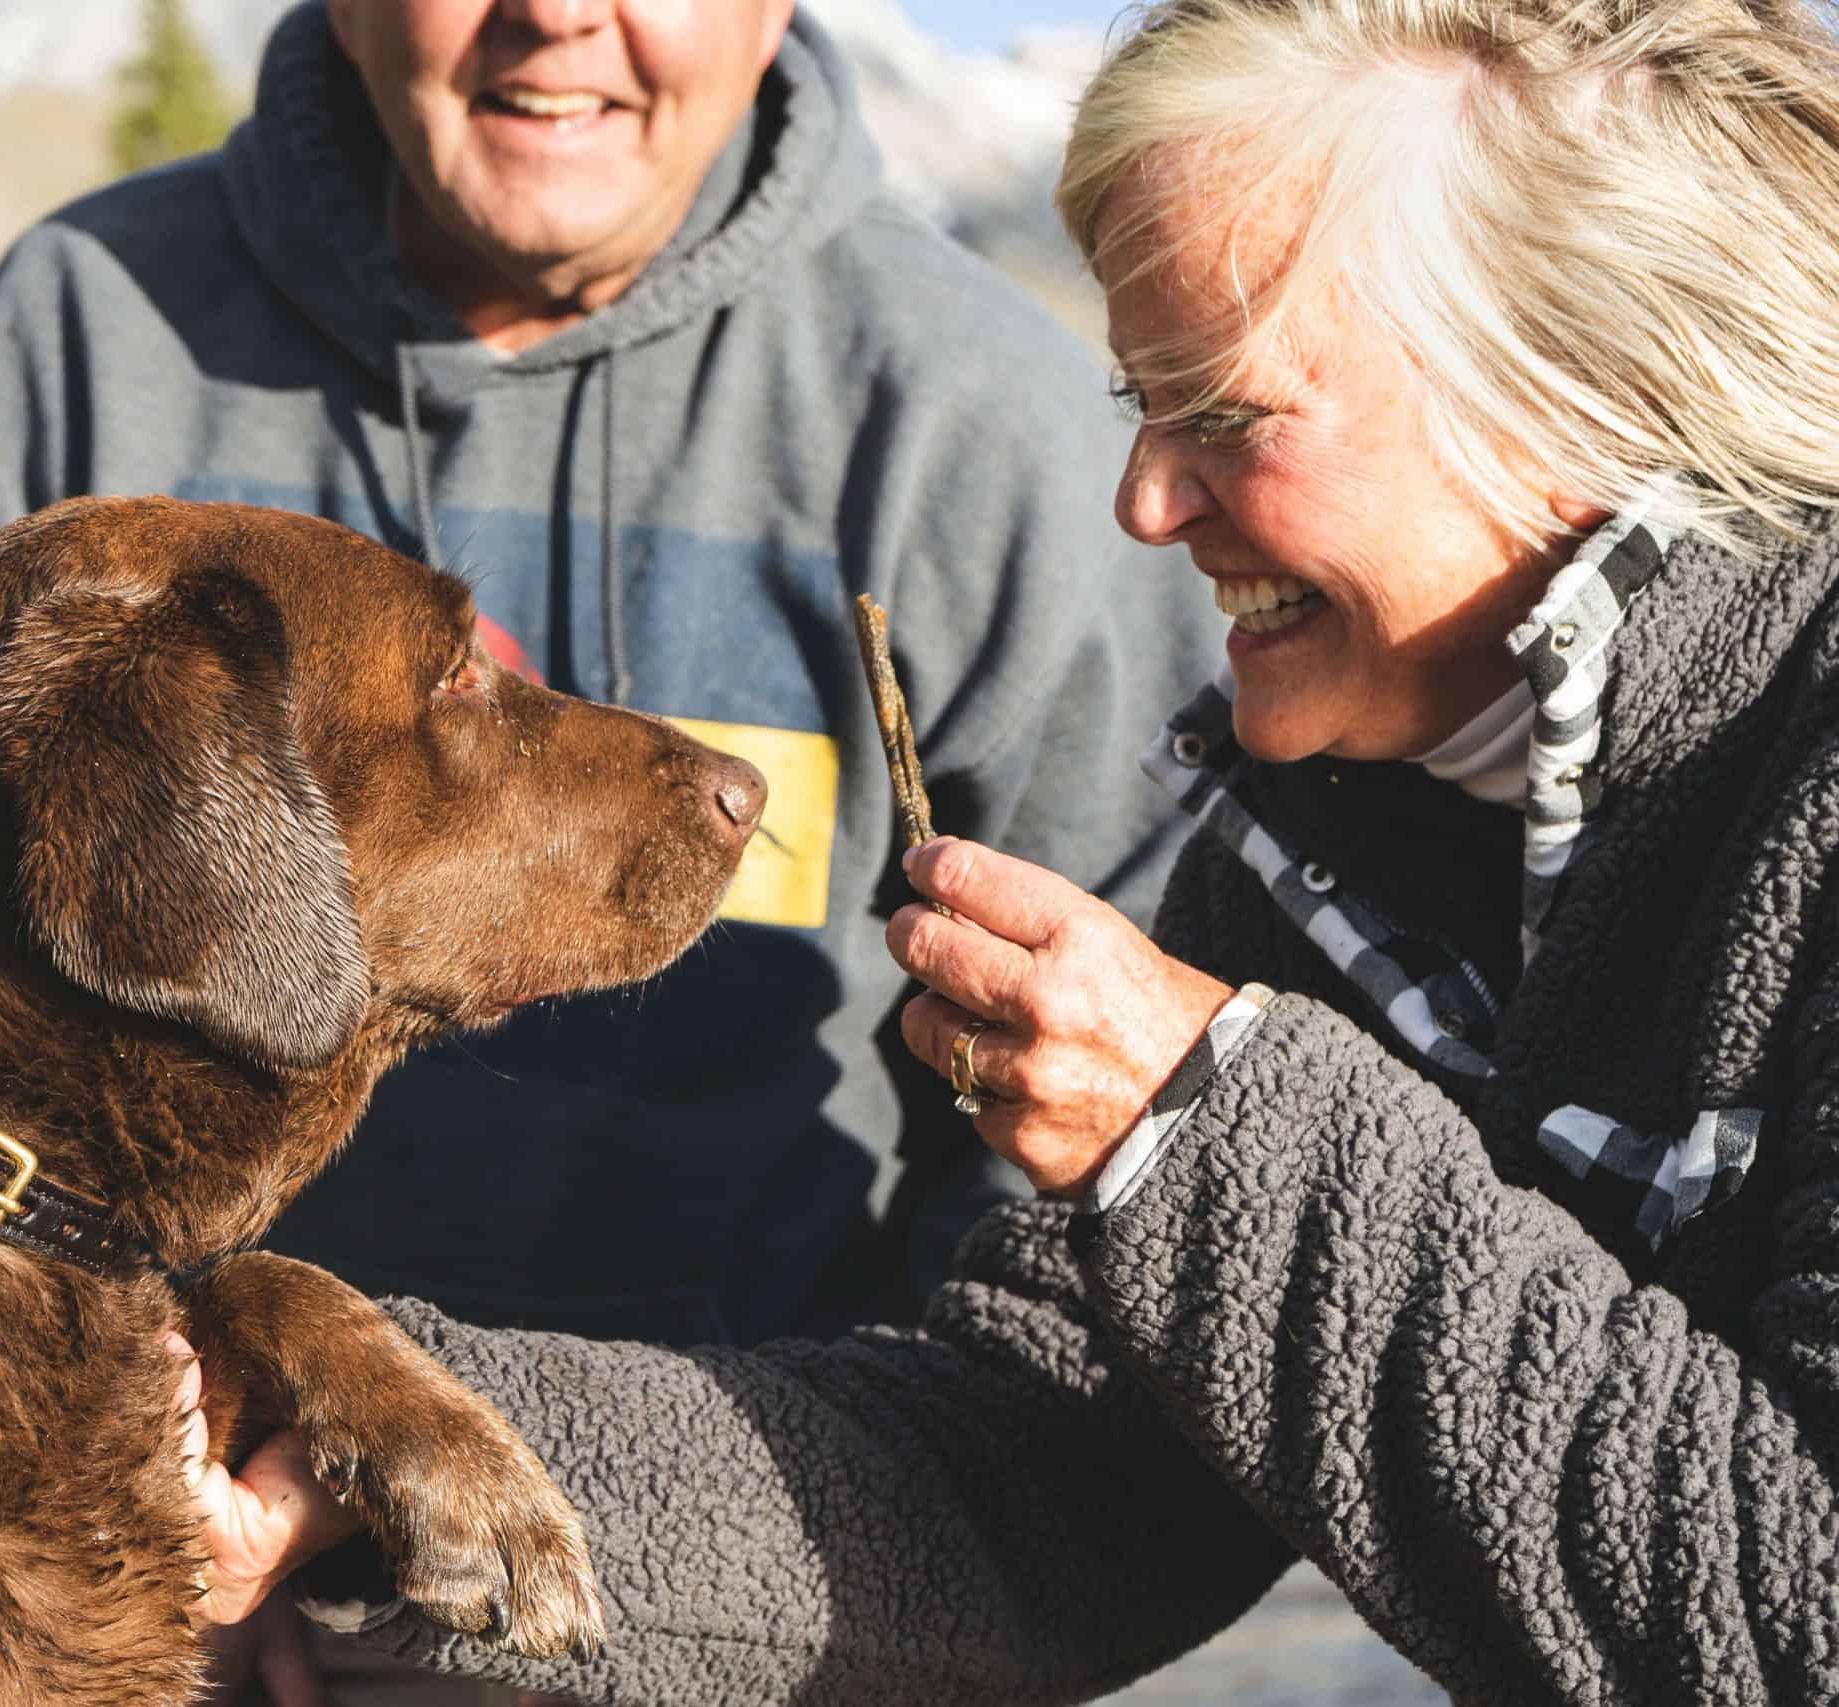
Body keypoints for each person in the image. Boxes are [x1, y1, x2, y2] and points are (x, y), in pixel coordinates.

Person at [188, 0, 1839, 1700]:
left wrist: (1201, 1131)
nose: (1142, 502)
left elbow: (1792, 1607)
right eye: (1141, 399)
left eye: (1227, 410)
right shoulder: (1328, 840)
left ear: (1588, 380)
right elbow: (1032, 1488)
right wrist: (377, 1456)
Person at [0, 7, 1211, 1362]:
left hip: (776, 1496)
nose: (558, 14)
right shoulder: (86, 338)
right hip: (147, 1501)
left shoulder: (982, 425)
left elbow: (1102, 1143)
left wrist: (878, 1518)